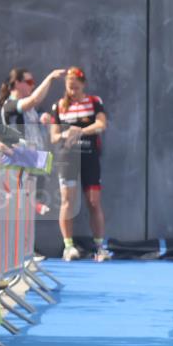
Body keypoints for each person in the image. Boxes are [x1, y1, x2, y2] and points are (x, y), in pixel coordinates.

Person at [48, 66, 109, 262]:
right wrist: (66, 134)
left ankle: (100, 247)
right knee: (68, 201)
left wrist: (80, 131)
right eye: (69, 86)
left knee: (94, 201)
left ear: (83, 84)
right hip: (68, 158)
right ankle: (69, 247)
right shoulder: (59, 106)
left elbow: (101, 124)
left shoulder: (94, 101)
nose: (73, 90)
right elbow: (54, 136)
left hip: (90, 156)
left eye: (76, 86)